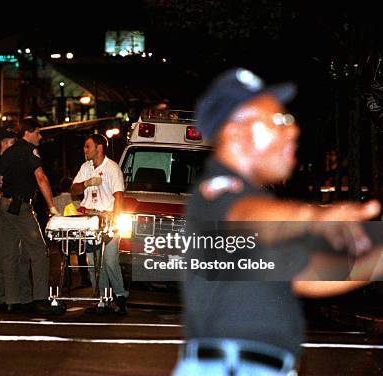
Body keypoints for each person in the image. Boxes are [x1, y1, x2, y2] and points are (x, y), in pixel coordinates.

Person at [174, 68, 383, 375]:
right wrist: (316, 217)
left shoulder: (256, 204)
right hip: (232, 367)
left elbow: (306, 273)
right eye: (278, 121)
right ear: (236, 133)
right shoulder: (217, 190)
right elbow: (246, 217)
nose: (293, 131)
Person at [0, 117, 61, 315]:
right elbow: (41, 178)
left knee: (10, 254)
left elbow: (1, 179)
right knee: (40, 252)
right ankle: (40, 299)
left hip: (5, 205)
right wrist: (52, 207)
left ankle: (12, 301)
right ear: (28, 133)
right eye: (38, 133)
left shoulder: (8, 152)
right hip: (20, 206)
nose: (40, 137)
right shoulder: (29, 151)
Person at [71, 134, 128, 315]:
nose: (84, 150)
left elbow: (119, 196)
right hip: (89, 220)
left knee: (109, 261)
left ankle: (120, 298)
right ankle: (101, 301)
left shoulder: (112, 168)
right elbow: (73, 189)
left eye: (88, 146)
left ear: (99, 148)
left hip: (107, 219)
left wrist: (115, 221)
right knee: (93, 263)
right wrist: (87, 183)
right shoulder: (85, 167)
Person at [0, 127, 32, 313]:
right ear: (4, 143)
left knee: (21, 254)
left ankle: (21, 297)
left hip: (15, 206)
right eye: (13, 142)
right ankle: (3, 299)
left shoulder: (14, 161)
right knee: (4, 254)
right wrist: (9, 194)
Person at [53, 177, 91, 288]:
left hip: (63, 236)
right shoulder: (76, 201)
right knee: (81, 257)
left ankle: (67, 280)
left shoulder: (55, 200)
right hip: (77, 235)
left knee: (65, 258)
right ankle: (84, 279)